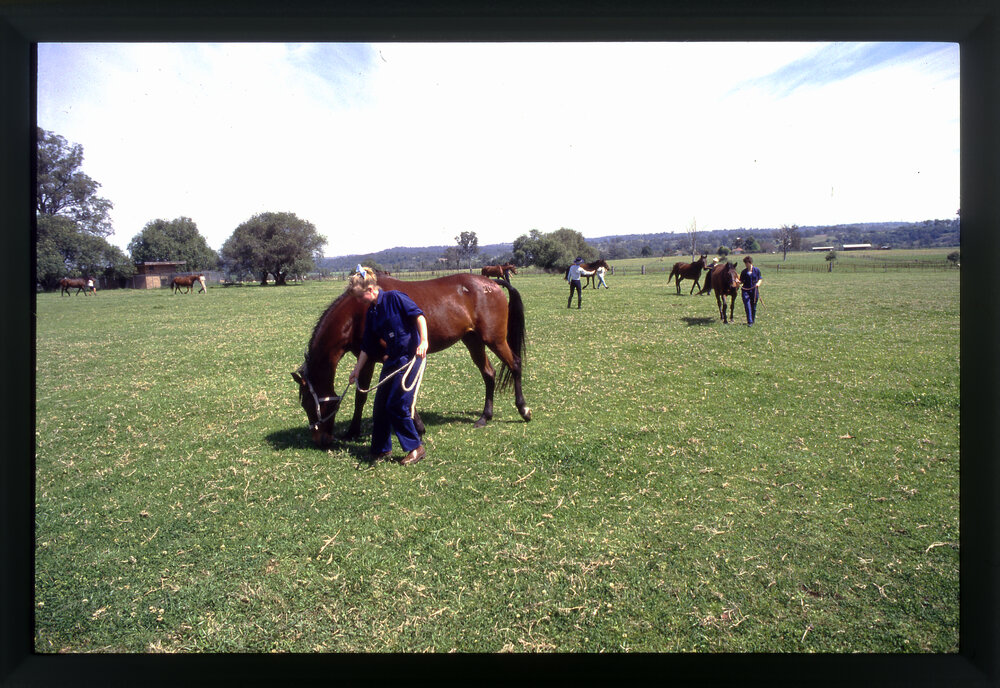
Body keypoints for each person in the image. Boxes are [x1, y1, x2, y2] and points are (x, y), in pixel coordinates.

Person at [347, 267, 429, 465]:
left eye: (360, 297)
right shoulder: (372, 313)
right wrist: (357, 369)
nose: (360, 301)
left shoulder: (395, 298)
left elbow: (419, 316)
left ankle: (415, 448)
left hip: (410, 358)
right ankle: (382, 449)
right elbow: (367, 346)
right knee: (380, 406)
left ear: (371, 290)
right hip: (392, 360)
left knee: (396, 404)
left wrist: (424, 341)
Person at [739, 256, 763, 326]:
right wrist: (738, 282)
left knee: (754, 306)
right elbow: (741, 281)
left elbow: (760, 279)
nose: (746, 265)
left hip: (754, 290)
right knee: (747, 305)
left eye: (747, 263)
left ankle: (752, 320)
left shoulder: (757, 270)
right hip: (745, 290)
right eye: (745, 263)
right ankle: (749, 321)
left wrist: (758, 284)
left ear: (750, 263)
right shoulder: (744, 272)